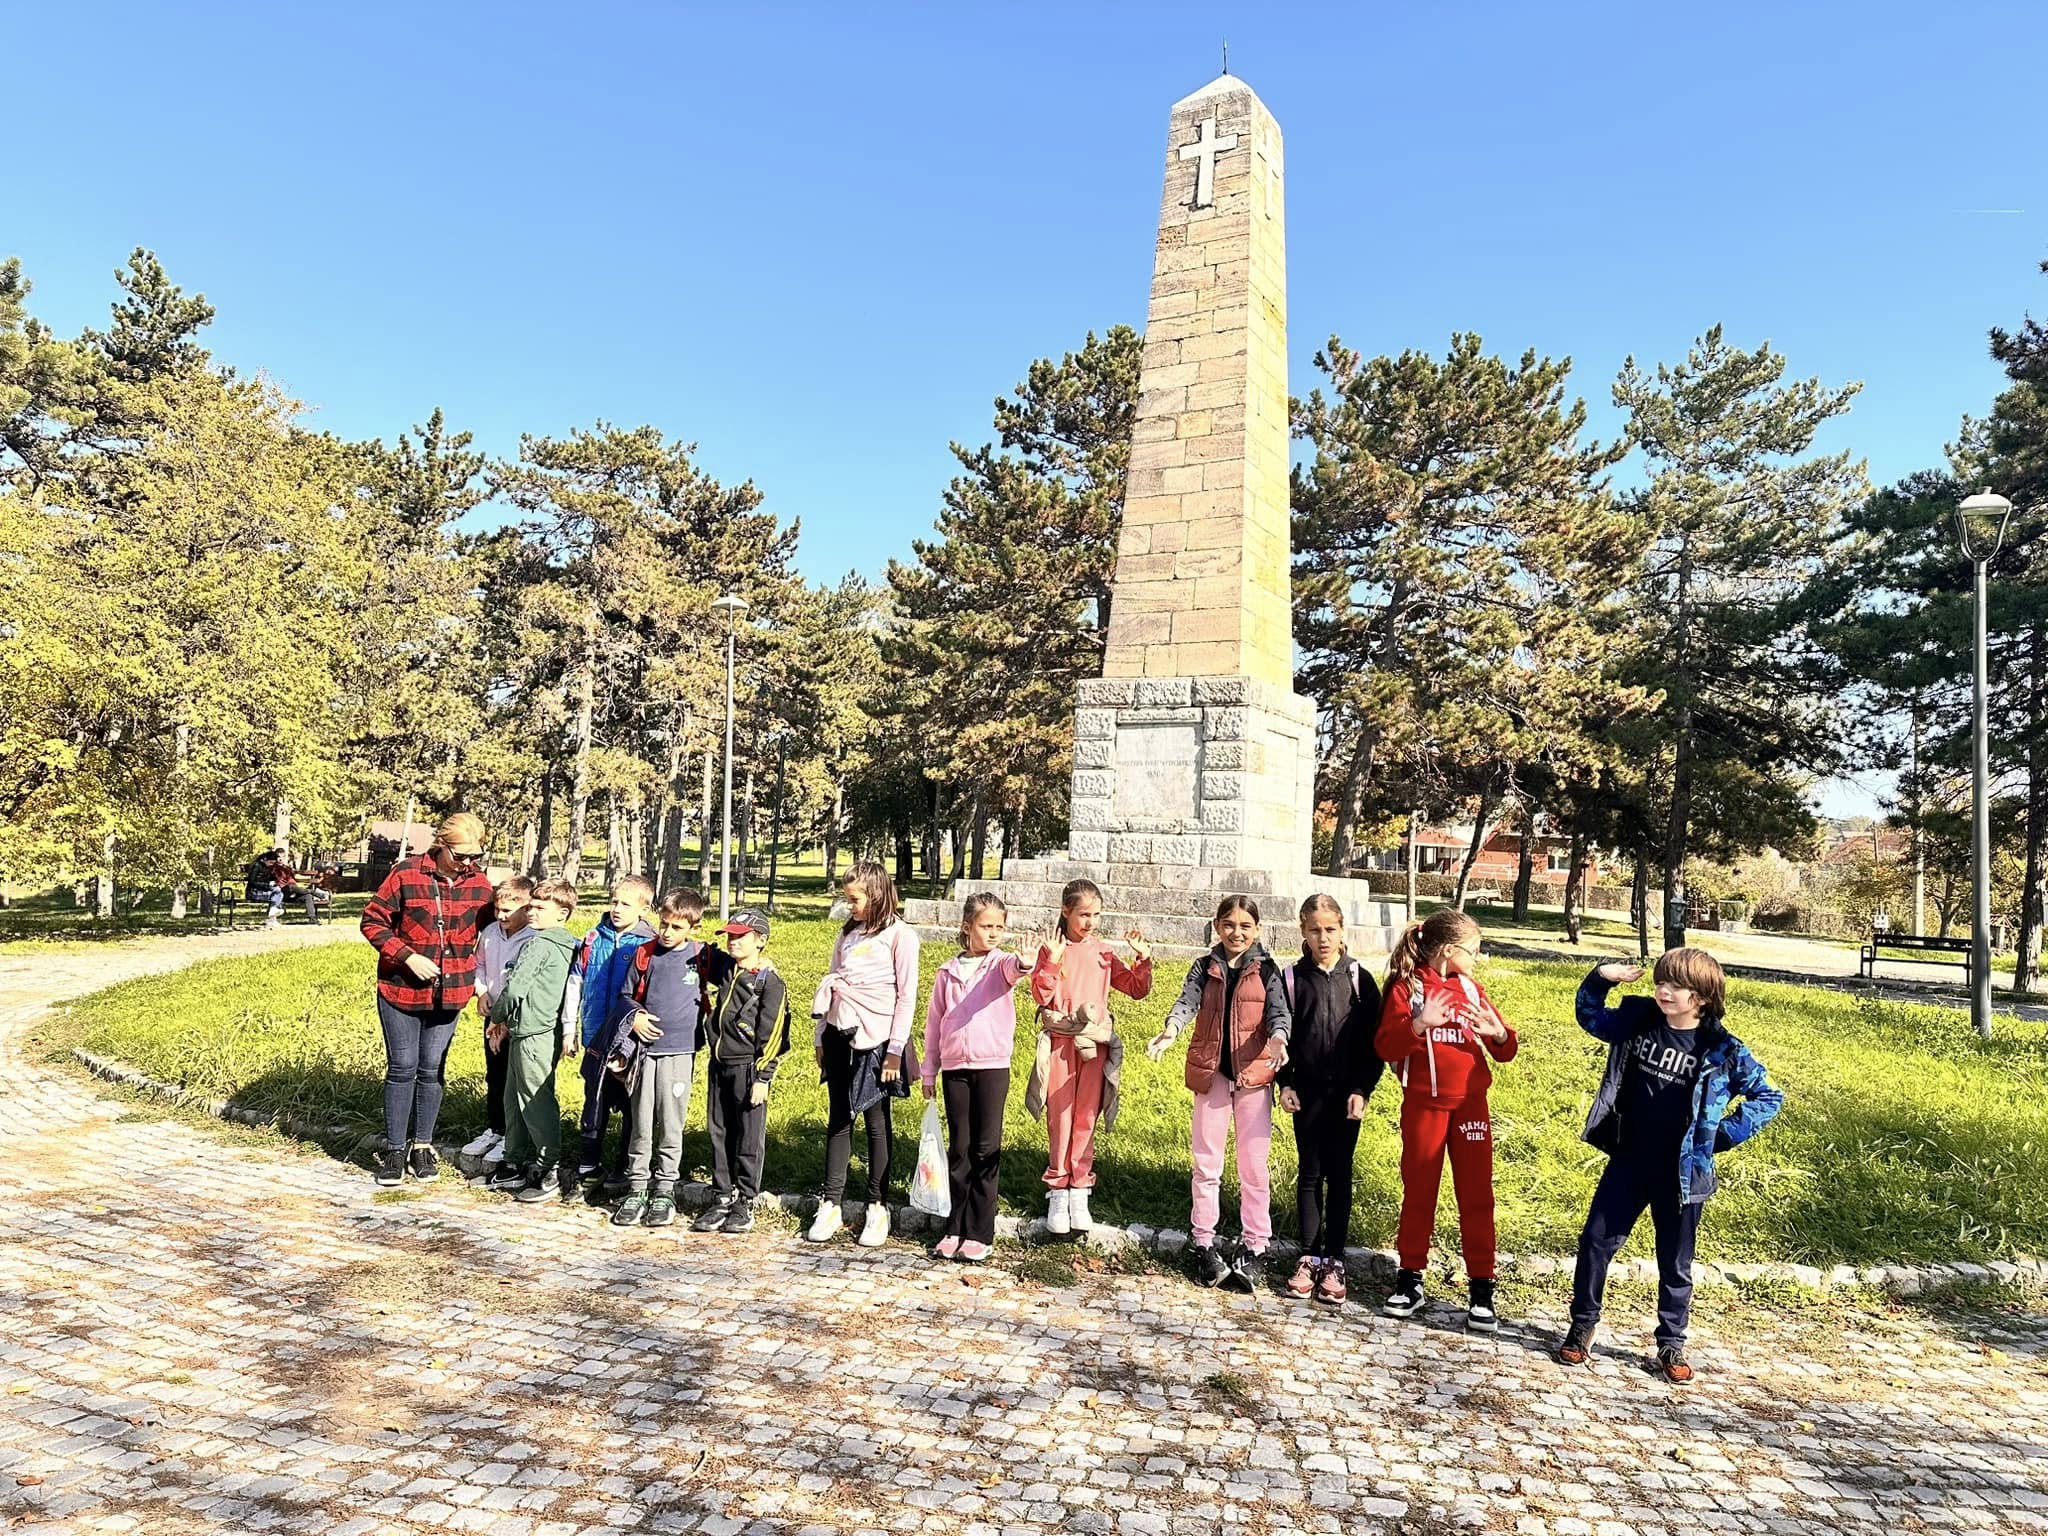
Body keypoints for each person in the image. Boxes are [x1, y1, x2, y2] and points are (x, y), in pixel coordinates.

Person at [1558, 950, 1784, 1383]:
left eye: (1676, 986)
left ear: (1702, 997)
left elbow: (1769, 1096)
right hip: (1630, 1159)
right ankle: (1583, 1324)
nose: (1663, 991)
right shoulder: (1639, 1021)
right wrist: (1601, 977)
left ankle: (1671, 1341)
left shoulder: (1723, 1050)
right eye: (1661, 982)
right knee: (1595, 1242)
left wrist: (1721, 1135)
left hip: (1683, 1174)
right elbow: (1590, 1017)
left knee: (1675, 1262)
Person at [1374, 909, 1518, 1331]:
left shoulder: (1471, 989)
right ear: (1449, 950)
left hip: (1471, 1107)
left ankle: (1482, 1287)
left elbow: (1506, 1049)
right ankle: (1410, 1279)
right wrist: (1419, 1024)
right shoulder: (1409, 988)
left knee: (1477, 1195)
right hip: (1424, 1108)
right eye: (1474, 950)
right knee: (1419, 1192)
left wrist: (1497, 1034)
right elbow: (1385, 1046)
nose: (1478, 957)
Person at [1145, 894, 1291, 1292]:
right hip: (1211, 1075)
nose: (1236, 933)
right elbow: (1187, 1002)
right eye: (1229, 925)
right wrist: (1171, 1030)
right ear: (1217, 926)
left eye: (1245, 926)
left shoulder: (1267, 969)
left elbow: (1279, 1012)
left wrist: (1279, 1038)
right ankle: (1203, 1242)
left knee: (1253, 1167)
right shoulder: (1204, 966)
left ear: (1257, 929)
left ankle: (1256, 1245)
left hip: (1254, 1077)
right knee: (1206, 1162)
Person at [359, 811, 495, 1186]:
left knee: (432, 1069)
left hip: (450, 993)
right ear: (441, 845)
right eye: (460, 855)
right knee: (402, 1067)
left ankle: (422, 1146)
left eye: (475, 856)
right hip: (400, 989)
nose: (467, 863)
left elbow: (495, 934)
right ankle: (394, 1150)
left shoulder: (481, 885)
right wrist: (407, 957)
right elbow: (372, 922)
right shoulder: (406, 874)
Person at [1026, 879, 1152, 1236]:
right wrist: (1051, 961)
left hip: (1094, 1045)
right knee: (1060, 1116)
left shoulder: (1104, 952)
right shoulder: (1053, 949)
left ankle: (1080, 1189)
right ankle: (1057, 1190)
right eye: (1084, 914)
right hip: (1061, 1043)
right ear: (1066, 911)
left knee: (1085, 1116)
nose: (1090, 922)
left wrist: (1143, 959)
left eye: (1096, 915)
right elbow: (1041, 994)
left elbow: (1136, 988)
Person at [1276, 894, 1384, 1304]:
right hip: (1305, 1094)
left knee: (1339, 1174)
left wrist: (1361, 1089)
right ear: (1303, 931)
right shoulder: (1290, 979)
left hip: (1345, 1096)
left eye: (1330, 930)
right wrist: (1285, 1083)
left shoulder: (1359, 979)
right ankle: (1308, 1257)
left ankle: (1334, 1260)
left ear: (1342, 930)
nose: (1323, 938)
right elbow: (1279, 1036)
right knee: (1309, 1173)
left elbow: (1373, 1045)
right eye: (1314, 930)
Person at [807, 861, 921, 1248]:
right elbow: (831, 983)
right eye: (847, 899)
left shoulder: (901, 936)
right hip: (839, 1033)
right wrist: (820, 1037)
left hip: (878, 1039)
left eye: (855, 899)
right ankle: (831, 1202)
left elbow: (906, 997)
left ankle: (877, 1205)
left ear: (876, 895)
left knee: (876, 1121)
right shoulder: (848, 935)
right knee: (839, 1117)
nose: (850, 906)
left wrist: (895, 1050)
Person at [920, 893, 1027, 1263]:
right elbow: (934, 1023)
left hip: (992, 1067)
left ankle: (980, 1231)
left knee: (985, 1148)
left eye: (1000, 927)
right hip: (955, 1069)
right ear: (967, 927)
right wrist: (929, 1068)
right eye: (986, 926)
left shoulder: (999, 965)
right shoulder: (946, 972)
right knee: (960, 1149)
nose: (994, 933)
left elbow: (1015, 969)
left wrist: (1026, 962)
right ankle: (955, 1226)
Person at [607, 888, 718, 1229]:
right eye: (664, 924)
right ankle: (637, 1188)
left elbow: (741, 969)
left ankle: (665, 1189)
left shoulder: (703, 956)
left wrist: (764, 964)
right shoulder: (645, 954)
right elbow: (625, 995)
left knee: (671, 1122)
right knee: (641, 1122)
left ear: (694, 928)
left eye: (676, 927)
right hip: (645, 1053)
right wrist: (636, 1017)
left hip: (681, 1052)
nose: (667, 932)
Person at [692, 907, 791, 1235]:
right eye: (730, 936)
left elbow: (773, 1033)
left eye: (740, 936)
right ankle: (721, 1195)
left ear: (760, 940)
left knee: (748, 1136)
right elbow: (689, 943)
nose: (732, 941)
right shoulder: (725, 969)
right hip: (719, 1064)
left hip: (749, 1068)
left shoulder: (770, 982)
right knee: (719, 1131)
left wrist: (764, 1075)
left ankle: (745, 1200)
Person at [482, 879, 580, 1203]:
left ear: (562, 913)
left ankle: (548, 1166)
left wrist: (496, 1017)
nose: (531, 911)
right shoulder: (562, 942)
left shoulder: (541, 944)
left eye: (540, 907)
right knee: (513, 1098)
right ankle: (514, 1160)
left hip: (536, 1033)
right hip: (524, 1029)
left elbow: (515, 989)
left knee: (535, 1101)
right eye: (531, 905)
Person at [563, 877, 657, 1195]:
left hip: (630, 1043)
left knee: (631, 1106)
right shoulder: (593, 938)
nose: (616, 908)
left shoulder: (649, 944)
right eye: (614, 901)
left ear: (644, 909)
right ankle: (589, 1167)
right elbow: (575, 983)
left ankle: (624, 1168)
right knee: (595, 1104)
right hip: (595, 1036)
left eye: (625, 904)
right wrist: (570, 1029)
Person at [462, 876, 535, 1167]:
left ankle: (514, 1134)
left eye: (507, 911)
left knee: (514, 1077)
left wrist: (505, 1017)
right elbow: (479, 964)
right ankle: (495, 1128)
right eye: (497, 909)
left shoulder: (533, 938)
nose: (501, 916)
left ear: (526, 908)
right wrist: (481, 992)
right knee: (494, 1074)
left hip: (518, 1018)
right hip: (492, 1015)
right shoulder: (491, 932)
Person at [243, 850, 286, 928]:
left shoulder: (268, 867)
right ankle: (272, 917)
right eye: (271, 862)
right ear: (265, 859)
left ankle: (272, 915)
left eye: (273, 863)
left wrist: (274, 881)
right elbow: (252, 882)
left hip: (263, 891)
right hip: (253, 892)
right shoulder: (256, 866)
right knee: (277, 893)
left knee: (279, 893)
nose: (271, 865)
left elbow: (270, 878)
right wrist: (267, 885)